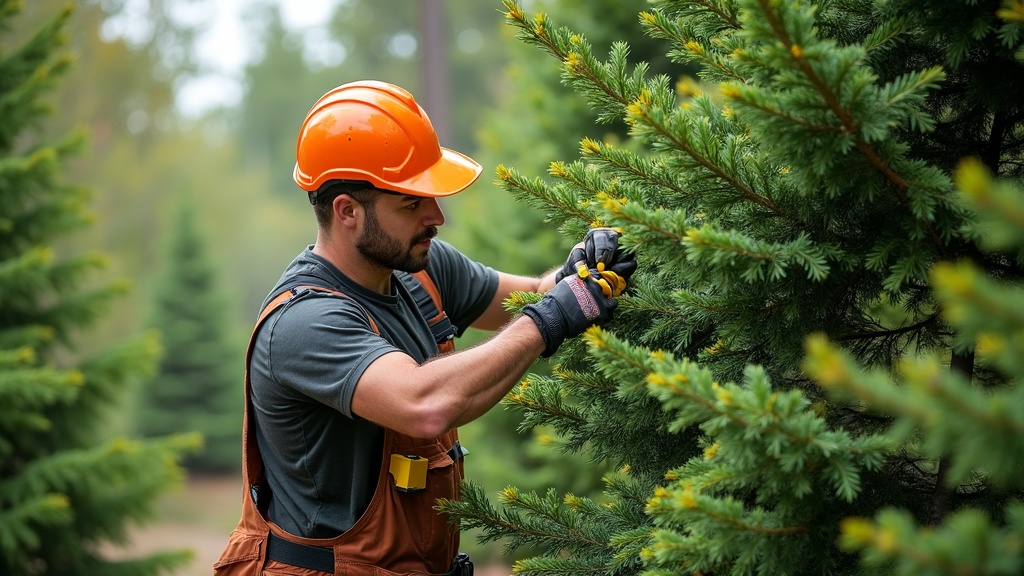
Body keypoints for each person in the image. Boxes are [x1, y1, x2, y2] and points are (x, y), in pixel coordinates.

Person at [214, 80, 637, 576]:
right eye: (411, 203)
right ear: (347, 211)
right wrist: (554, 315)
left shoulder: (417, 267)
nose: (436, 216)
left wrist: (574, 275)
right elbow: (424, 404)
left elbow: (527, 299)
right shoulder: (304, 322)